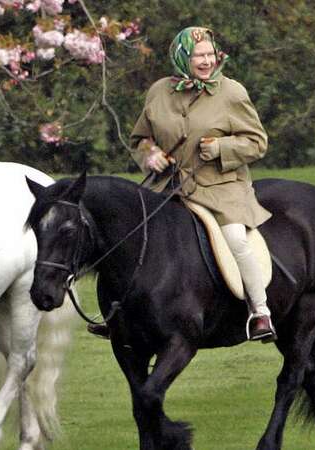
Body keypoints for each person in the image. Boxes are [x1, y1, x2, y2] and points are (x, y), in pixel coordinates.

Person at [90, 26, 276, 342]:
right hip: (166, 186)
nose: (205, 61)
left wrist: (221, 149)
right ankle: (115, 314)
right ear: (181, 57)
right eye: (197, 55)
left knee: (235, 238)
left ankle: (260, 312)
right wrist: (150, 155)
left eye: (209, 54)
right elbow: (140, 138)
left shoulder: (232, 92)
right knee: (125, 235)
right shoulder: (159, 91)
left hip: (220, 187)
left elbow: (257, 143)